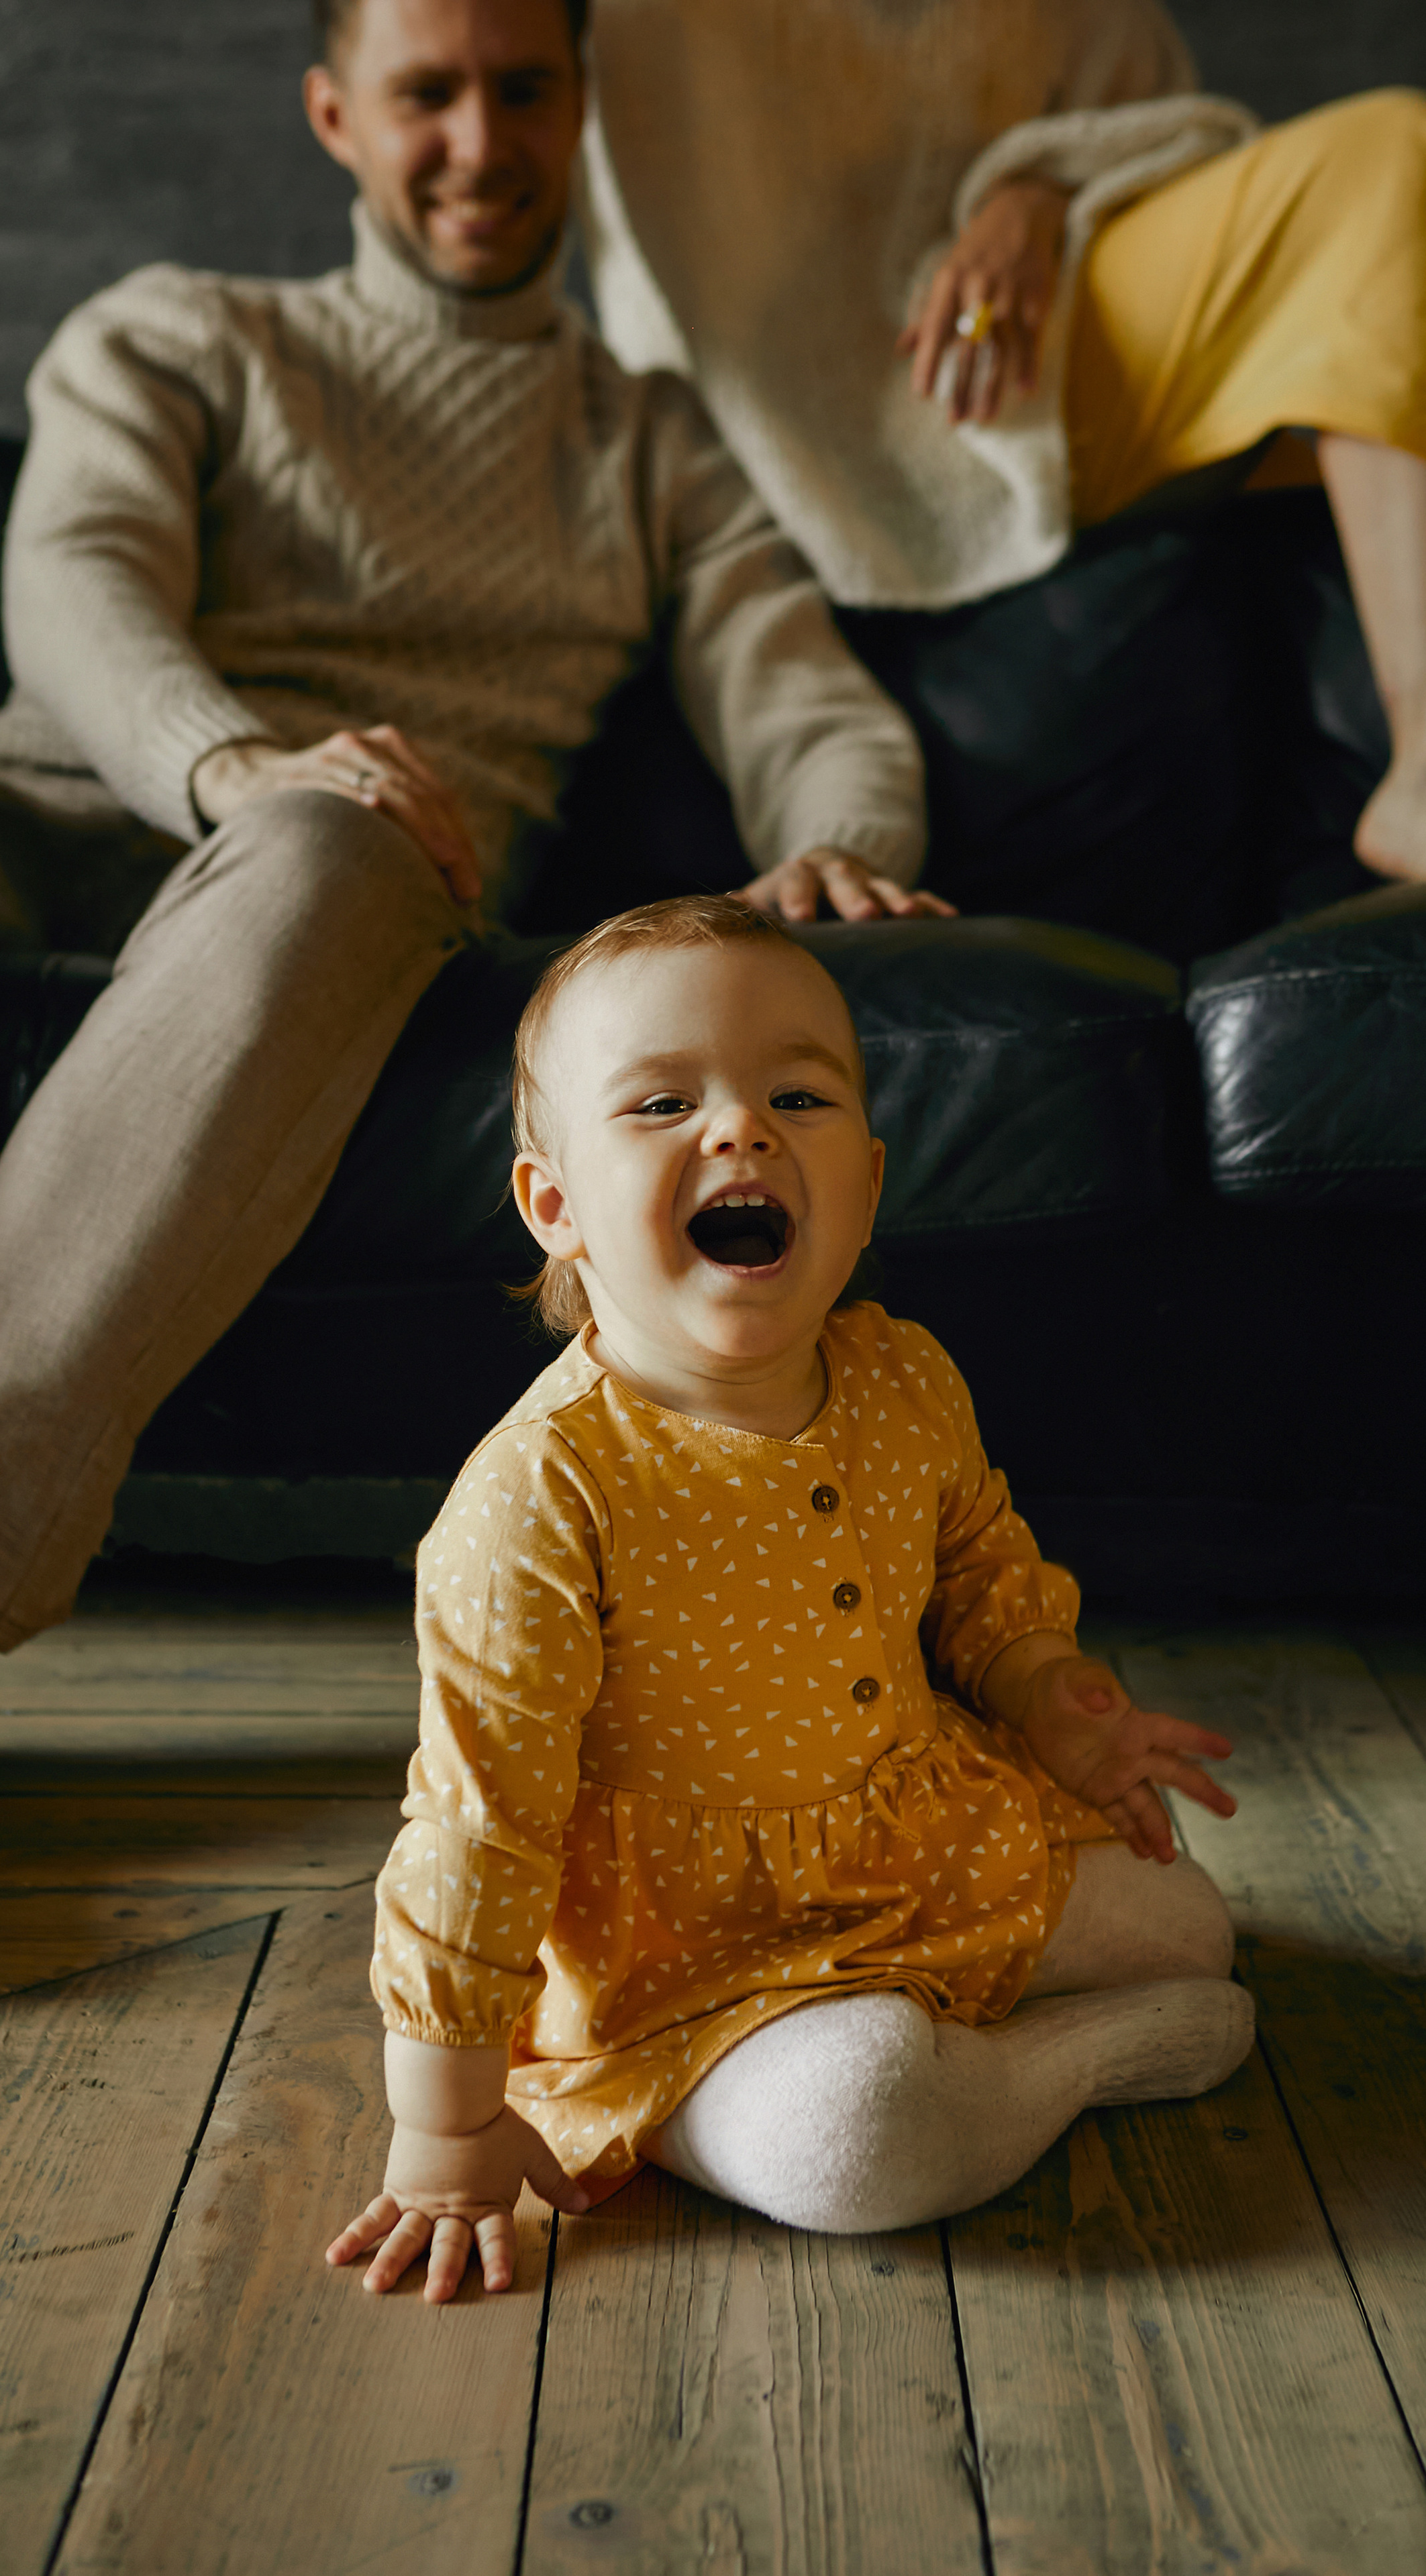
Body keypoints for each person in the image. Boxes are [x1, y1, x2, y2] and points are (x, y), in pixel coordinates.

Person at [0, 0, 940, 1655]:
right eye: (428, 96)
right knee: (307, 811)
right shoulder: (181, 332)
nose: (479, 143)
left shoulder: (646, 437)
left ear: (579, 105)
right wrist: (235, 762)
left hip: (353, 883)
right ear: (337, 115)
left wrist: (839, 835)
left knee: (337, 838)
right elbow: (73, 581)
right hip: (34, 810)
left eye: (522, 91)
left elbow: (801, 691)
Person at [326, 894, 1250, 2294]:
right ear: (555, 1205)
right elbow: (478, 1825)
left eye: (797, 1096)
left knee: (1194, 1924)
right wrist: (444, 2127)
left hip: (920, 1856)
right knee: (856, 2136)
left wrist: (1051, 1696)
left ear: (865, 1188)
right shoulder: (541, 1495)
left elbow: (981, 1569)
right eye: (662, 1103)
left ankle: (946, 2037)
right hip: (683, 1969)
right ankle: (1051, 2067)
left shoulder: (903, 1376)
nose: (741, 1131)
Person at [581, 0, 1426, 915]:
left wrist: (1034, 199)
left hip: (1049, 341)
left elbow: (1152, 116)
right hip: (789, 424)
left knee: (1394, 163)